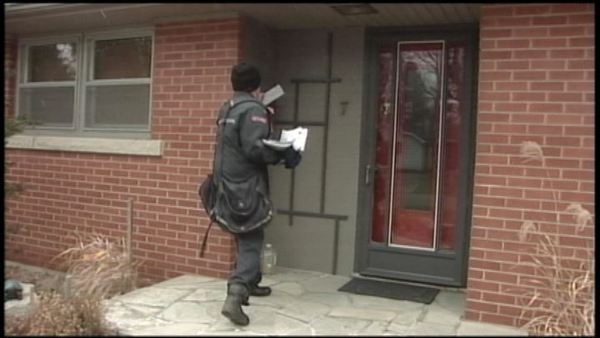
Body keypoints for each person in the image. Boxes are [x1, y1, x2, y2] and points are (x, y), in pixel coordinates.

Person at [214, 62, 301, 326]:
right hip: (245, 186)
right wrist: (284, 152)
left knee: (243, 232)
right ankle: (237, 294)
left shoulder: (227, 107)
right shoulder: (252, 109)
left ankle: (252, 282)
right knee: (252, 237)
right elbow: (254, 149)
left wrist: (263, 115)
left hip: (226, 184)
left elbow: (238, 143)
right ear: (256, 87)